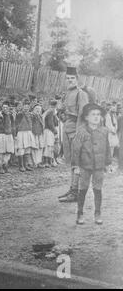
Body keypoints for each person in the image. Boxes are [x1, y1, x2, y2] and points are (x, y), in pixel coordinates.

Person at [71, 103, 111, 225]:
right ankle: (80, 214)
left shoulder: (104, 131)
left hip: (99, 166)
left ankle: (97, 214)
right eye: (93, 115)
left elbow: (107, 148)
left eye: (98, 115)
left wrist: (107, 163)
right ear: (86, 117)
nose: (96, 117)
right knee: (82, 189)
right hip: (84, 166)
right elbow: (75, 150)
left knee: (97, 189)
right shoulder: (81, 132)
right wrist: (76, 166)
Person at [58, 66, 89, 203]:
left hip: (76, 131)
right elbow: (63, 115)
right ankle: (72, 189)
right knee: (72, 162)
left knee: (77, 163)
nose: (70, 80)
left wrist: (78, 134)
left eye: (72, 78)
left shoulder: (80, 93)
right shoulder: (67, 93)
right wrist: (60, 113)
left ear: (77, 79)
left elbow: (83, 115)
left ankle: (76, 192)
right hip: (67, 129)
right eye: (68, 78)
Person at [0, 101, 15, 174]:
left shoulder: (11, 116)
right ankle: (0, 167)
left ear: (9, 108)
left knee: (8, 151)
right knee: (0, 152)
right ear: (1, 108)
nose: (5, 109)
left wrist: (14, 135)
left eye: (6, 107)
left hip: (9, 135)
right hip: (1, 135)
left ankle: (6, 165)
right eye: (3, 107)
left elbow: (13, 126)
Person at [14, 100, 34, 172]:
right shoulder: (19, 114)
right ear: (22, 106)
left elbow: (31, 124)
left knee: (27, 149)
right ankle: (21, 166)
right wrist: (15, 134)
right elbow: (16, 125)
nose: (26, 107)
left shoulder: (30, 114)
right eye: (25, 106)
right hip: (21, 133)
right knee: (21, 148)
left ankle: (26, 165)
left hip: (28, 132)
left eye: (27, 106)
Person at [42, 100, 59, 167]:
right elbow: (50, 123)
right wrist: (55, 131)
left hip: (49, 130)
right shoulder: (51, 111)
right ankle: (46, 162)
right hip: (49, 130)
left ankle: (49, 161)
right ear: (55, 105)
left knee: (50, 145)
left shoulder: (51, 111)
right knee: (48, 145)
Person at [30, 103, 45, 168]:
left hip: (40, 133)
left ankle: (39, 162)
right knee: (34, 148)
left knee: (40, 148)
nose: (38, 110)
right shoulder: (32, 116)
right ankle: (34, 162)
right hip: (34, 133)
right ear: (33, 109)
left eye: (39, 109)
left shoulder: (41, 116)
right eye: (36, 109)